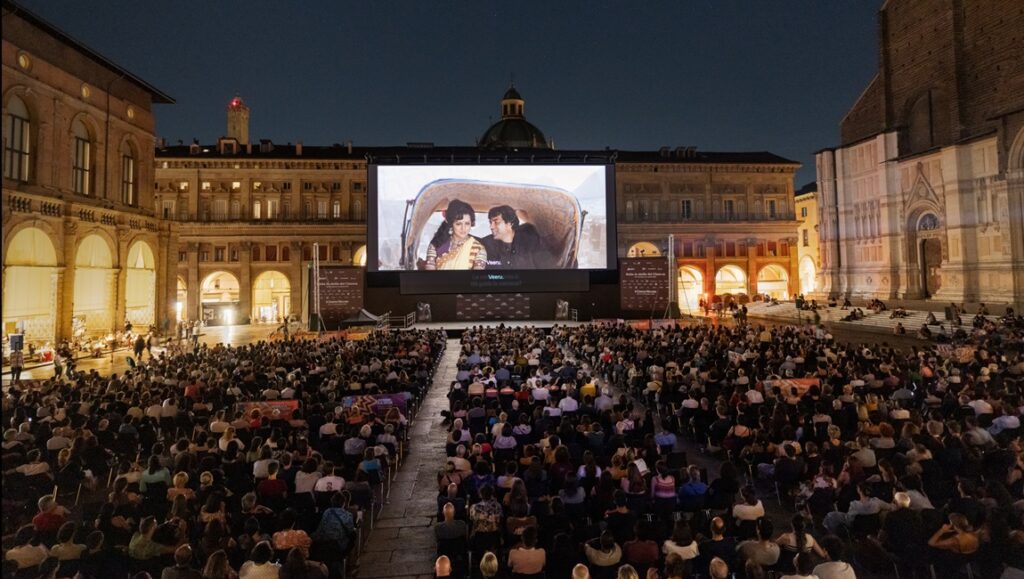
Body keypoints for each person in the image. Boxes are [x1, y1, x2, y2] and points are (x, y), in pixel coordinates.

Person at [479, 205, 552, 269]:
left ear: (510, 223)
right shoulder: (485, 244)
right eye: (490, 222)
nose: (491, 227)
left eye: (496, 222)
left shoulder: (532, 243)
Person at [423, 199, 487, 270]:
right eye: (458, 224)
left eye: (467, 223)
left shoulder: (478, 248)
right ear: (451, 224)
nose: (463, 228)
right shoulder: (436, 244)